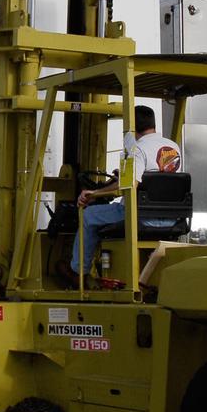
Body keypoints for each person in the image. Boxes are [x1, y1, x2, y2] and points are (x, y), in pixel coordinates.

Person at [62, 105, 182, 284]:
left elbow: (130, 184)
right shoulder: (173, 146)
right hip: (172, 218)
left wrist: (93, 193)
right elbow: (157, 178)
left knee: (88, 215)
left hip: (140, 216)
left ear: (132, 126)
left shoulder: (137, 149)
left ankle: (78, 272)